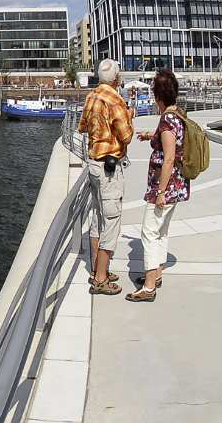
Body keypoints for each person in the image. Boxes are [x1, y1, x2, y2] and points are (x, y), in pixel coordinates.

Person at [127, 70, 190, 302]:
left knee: (149, 232)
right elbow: (167, 142)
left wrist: (161, 192)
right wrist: (149, 136)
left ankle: (149, 286)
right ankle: (158, 273)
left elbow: (170, 157)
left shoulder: (167, 120)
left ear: (158, 96)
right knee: (162, 230)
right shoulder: (177, 115)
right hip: (177, 184)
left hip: (165, 186)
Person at [78, 59, 134, 296]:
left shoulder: (91, 96)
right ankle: (101, 278)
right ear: (117, 79)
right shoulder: (115, 100)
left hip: (93, 164)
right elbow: (127, 135)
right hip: (109, 167)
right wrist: (129, 115)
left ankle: (97, 269)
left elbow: (82, 127)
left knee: (97, 218)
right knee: (111, 220)